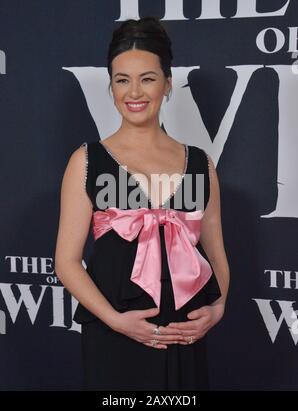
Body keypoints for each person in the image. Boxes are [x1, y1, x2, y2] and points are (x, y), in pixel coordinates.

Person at [55, 16, 230, 391]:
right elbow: (67, 263)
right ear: (111, 87)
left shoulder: (200, 163)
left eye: (147, 78)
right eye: (122, 80)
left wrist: (216, 310)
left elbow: (215, 252)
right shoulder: (86, 161)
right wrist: (115, 321)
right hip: (114, 335)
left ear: (167, 85)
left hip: (185, 334)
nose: (134, 92)